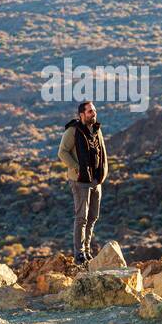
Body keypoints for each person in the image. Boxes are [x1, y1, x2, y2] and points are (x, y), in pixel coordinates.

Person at [58, 101, 109, 264]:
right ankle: (79, 253)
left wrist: (104, 172)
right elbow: (62, 152)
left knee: (93, 216)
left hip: (96, 180)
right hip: (80, 180)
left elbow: (103, 152)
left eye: (94, 110)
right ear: (81, 115)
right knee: (82, 217)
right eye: (89, 112)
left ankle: (87, 251)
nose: (93, 113)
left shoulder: (96, 130)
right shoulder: (73, 131)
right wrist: (76, 167)